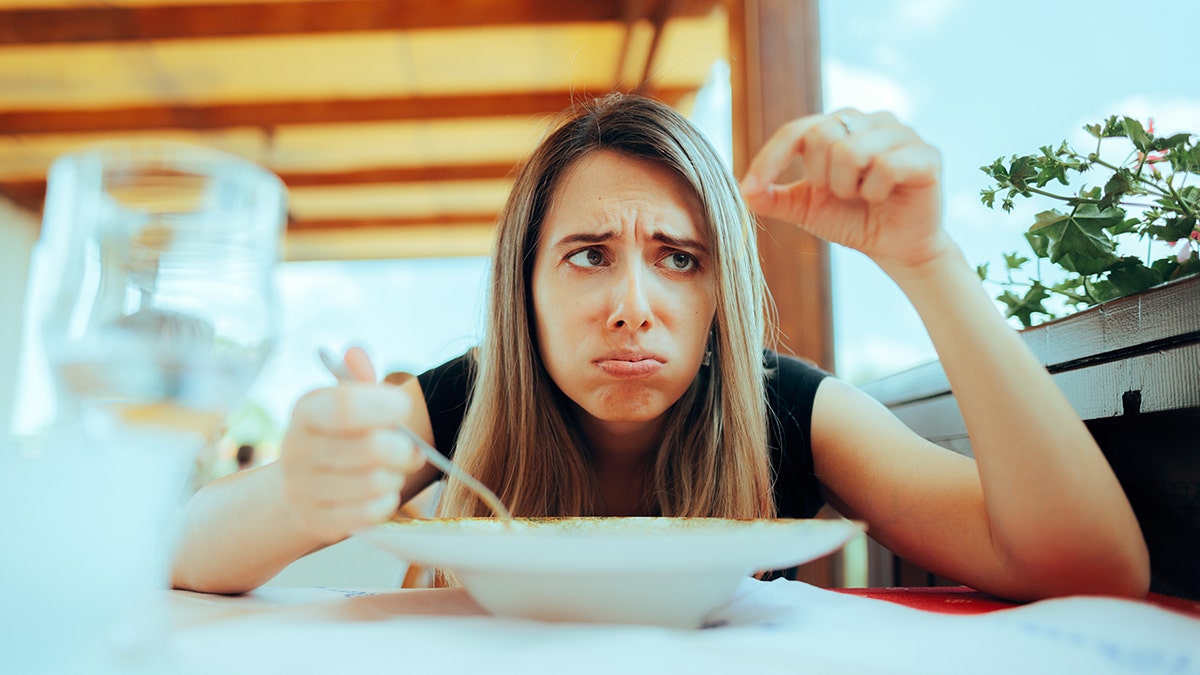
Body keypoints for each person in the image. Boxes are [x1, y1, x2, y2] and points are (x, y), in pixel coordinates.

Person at [171, 94, 1149, 601]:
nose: (634, 307)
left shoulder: (791, 410)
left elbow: (1090, 569)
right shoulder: (454, 403)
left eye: (680, 258)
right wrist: (304, 491)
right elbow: (178, 559)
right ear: (526, 287)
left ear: (721, 291)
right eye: (589, 255)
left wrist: (927, 258)